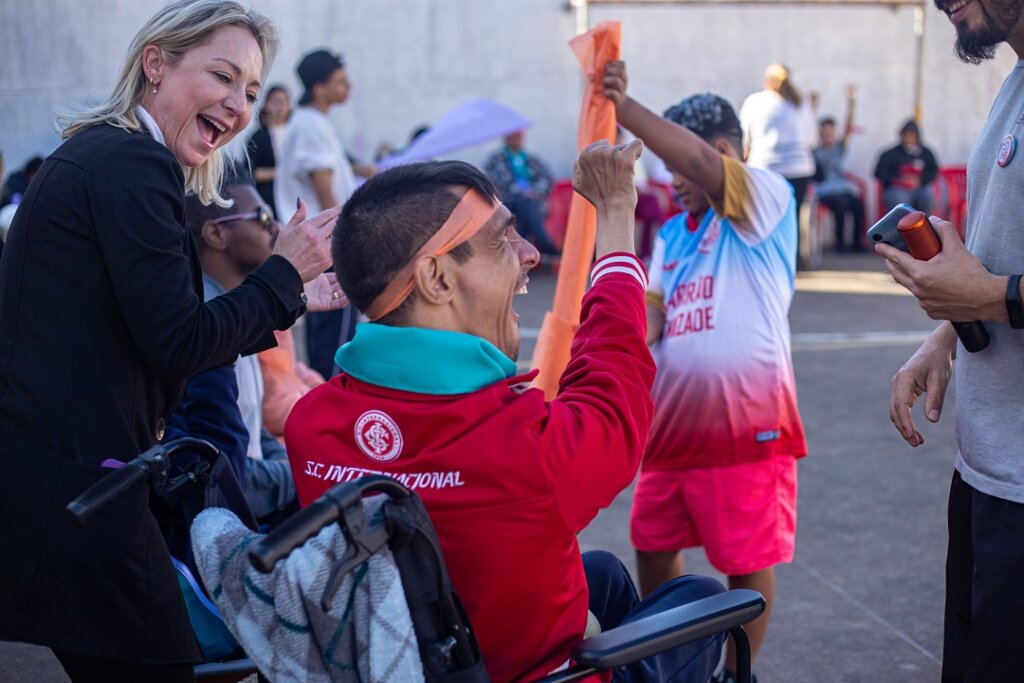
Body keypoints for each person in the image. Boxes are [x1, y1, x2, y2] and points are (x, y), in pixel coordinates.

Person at [285, 146, 728, 682]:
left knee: (604, 574)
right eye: (502, 239)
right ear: (437, 279)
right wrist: (615, 211)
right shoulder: (525, 449)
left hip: (419, 659)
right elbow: (614, 379)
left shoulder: (309, 424)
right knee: (702, 597)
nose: (530, 253)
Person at [0, 2, 346, 680]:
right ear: (155, 63)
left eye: (251, 90)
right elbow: (181, 340)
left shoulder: (108, 155)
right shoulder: (132, 161)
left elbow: (158, 327)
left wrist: (291, 293)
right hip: (82, 493)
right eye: (223, 76)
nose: (239, 105)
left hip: (65, 484)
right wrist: (285, 271)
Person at [603, 63, 807, 683]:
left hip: (747, 428)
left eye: (678, 165)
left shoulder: (764, 199)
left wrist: (623, 107)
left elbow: (694, 158)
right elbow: (654, 315)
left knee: (746, 560)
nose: (672, 178)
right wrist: (607, 344)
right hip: (672, 431)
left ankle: (734, 674)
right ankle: (673, 665)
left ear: (722, 152)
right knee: (652, 545)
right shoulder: (672, 235)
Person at [876, 1, 1024, 680]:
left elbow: (997, 286)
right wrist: (948, 332)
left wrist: (987, 298)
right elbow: (1001, 258)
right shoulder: (1013, 83)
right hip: (987, 475)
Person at [184, 169, 305, 520]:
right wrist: (306, 475)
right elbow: (225, 472)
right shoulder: (207, 319)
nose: (276, 228)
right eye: (262, 217)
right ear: (216, 234)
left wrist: (289, 465)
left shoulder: (234, 308)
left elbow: (251, 426)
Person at [275, 48, 370, 379]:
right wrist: (347, 239)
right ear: (319, 87)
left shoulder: (313, 122)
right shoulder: (310, 125)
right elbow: (324, 189)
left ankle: (323, 393)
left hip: (324, 241)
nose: (348, 87)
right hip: (329, 243)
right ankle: (329, 397)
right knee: (335, 340)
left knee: (328, 334)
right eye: (340, 81)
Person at [739, 64, 817, 264]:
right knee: (793, 214)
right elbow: (812, 141)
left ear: (767, 80)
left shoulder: (755, 101)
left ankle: (767, 258)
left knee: (765, 214)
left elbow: (744, 139)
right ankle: (793, 258)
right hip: (800, 168)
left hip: (765, 167)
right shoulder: (801, 103)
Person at [483, 129, 560, 254]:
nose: (517, 141)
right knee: (527, 205)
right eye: (513, 138)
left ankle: (519, 249)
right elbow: (494, 182)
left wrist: (535, 191)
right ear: (507, 139)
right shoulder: (495, 160)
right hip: (508, 202)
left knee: (527, 206)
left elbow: (547, 177)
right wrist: (519, 191)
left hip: (533, 201)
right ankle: (545, 244)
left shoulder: (531, 158)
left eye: (519, 138)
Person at [813, 85, 867, 252]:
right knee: (841, 204)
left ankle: (857, 243)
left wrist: (852, 103)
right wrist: (812, 108)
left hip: (840, 189)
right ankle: (840, 243)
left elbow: (848, 128)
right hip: (823, 191)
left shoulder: (839, 148)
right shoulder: (814, 151)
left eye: (831, 132)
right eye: (825, 133)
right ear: (820, 133)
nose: (828, 135)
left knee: (857, 203)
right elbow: (808, 127)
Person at [874, 119, 939, 213]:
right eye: (905, 135)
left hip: (919, 188)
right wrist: (899, 179)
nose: (908, 139)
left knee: (927, 197)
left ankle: (923, 222)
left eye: (912, 136)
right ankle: (900, 222)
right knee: (901, 203)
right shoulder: (890, 154)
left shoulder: (925, 153)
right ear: (901, 135)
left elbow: (933, 171)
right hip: (896, 189)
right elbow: (878, 172)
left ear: (917, 136)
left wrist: (919, 180)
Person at [246, 83, 291, 215]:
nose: (280, 106)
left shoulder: (297, 132)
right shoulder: (258, 137)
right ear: (266, 105)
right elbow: (251, 172)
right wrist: (283, 173)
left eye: (284, 102)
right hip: (270, 201)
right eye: (276, 102)